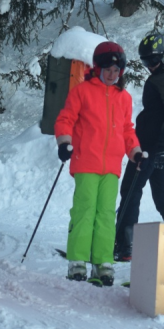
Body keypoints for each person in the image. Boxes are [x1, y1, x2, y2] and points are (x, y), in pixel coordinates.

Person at [54, 40, 143, 286]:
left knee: (105, 214)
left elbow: (127, 130)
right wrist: (64, 142)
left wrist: (135, 152)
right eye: (108, 70)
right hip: (86, 162)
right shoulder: (82, 91)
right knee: (85, 211)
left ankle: (103, 262)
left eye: (116, 71)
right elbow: (65, 119)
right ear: (97, 68)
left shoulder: (124, 98)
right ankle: (77, 260)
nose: (112, 75)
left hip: (111, 166)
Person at [113, 32, 164, 261]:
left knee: (131, 188)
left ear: (163, 56)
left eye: (153, 60)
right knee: (162, 195)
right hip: (160, 144)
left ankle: (125, 245)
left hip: (153, 145)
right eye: (146, 61)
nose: (150, 66)